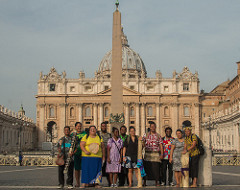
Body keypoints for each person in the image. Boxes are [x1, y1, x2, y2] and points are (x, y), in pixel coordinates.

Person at [141, 122, 163, 186]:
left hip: (156, 154)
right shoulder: (146, 135)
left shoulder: (158, 136)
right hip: (148, 154)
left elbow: (161, 145)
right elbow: (142, 143)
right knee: (146, 168)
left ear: (155, 127)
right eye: (151, 127)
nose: (153, 128)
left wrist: (162, 154)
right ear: (150, 127)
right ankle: (144, 181)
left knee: (156, 169)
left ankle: (156, 181)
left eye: (154, 126)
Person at [72, 122, 86, 188]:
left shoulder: (85, 134)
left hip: (84, 154)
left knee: (84, 169)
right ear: (75, 127)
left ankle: (84, 182)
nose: (79, 127)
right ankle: (77, 182)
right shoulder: (73, 134)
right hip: (76, 154)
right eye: (78, 126)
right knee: (77, 169)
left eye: (80, 126)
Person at [99, 122, 111, 186]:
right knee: (99, 169)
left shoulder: (109, 135)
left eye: (105, 126)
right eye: (102, 126)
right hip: (99, 154)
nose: (104, 127)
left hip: (107, 154)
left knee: (108, 169)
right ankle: (96, 182)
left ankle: (110, 182)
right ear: (101, 127)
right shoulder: (98, 134)